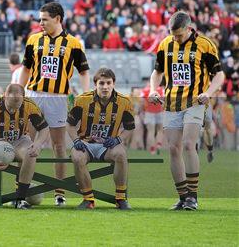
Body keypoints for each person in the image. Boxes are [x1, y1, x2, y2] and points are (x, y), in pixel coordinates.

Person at [148, 11, 225, 210]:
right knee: (173, 148)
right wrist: (153, 89)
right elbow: (157, 72)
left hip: (195, 101)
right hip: (172, 102)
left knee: (190, 144)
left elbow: (219, 75)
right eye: (173, 34)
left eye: (179, 35)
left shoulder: (205, 44)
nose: (176, 38)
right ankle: (183, 197)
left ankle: (193, 196)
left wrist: (208, 92)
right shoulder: (165, 44)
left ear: (189, 28)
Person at [19, 2, 91, 207]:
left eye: (44, 19)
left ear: (58, 19)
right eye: (39, 19)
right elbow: (25, 68)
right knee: (28, 142)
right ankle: (22, 190)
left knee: (59, 145)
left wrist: (84, 96)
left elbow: (84, 72)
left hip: (58, 97)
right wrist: (17, 90)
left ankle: (59, 192)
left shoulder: (74, 43)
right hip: (33, 94)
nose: (40, 23)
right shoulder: (33, 40)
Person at [0, 84, 50, 209]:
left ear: (23, 98)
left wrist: (38, 144)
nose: (12, 111)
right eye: (10, 107)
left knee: (30, 153)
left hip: (20, 140)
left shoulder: (30, 105)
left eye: (16, 108)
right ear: (4, 96)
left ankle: (20, 199)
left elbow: (44, 128)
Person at [67, 68, 135, 210]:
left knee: (121, 154)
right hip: (85, 143)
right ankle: (88, 199)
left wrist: (118, 139)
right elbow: (70, 125)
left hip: (108, 145)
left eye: (108, 83)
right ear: (95, 84)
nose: (105, 87)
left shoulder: (124, 102)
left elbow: (129, 128)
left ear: (113, 83)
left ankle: (120, 199)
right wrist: (76, 141)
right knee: (78, 157)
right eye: (101, 83)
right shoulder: (82, 100)